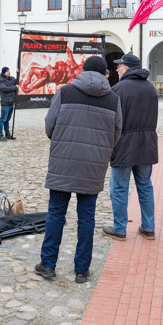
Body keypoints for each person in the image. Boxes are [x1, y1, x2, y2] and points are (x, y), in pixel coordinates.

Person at [36, 56, 122, 284]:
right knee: (87, 217)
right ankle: (82, 270)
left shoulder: (65, 92)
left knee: (56, 213)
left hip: (63, 161)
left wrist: (62, 140)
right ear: (105, 74)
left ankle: (48, 265)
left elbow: (49, 125)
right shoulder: (113, 99)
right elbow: (116, 134)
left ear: (82, 71)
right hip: (93, 165)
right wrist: (101, 151)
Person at [103, 53, 158, 242]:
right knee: (145, 186)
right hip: (147, 143)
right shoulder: (151, 88)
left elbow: (112, 120)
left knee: (119, 188)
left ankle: (120, 228)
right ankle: (148, 227)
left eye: (118, 66)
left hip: (124, 143)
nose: (116, 69)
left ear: (126, 68)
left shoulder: (118, 89)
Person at [0, 67, 18, 141]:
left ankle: (7, 133)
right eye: (7, 71)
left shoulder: (11, 79)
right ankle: (0, 135)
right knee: (3, 119)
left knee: (7, 119)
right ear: (3, 72)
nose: (8, 72)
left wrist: (18, 73)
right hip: (5, 102)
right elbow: (4, 89)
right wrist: (15, 87)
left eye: (9, 71)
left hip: (11, 101)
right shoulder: (1, 80)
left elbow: (18, 81)